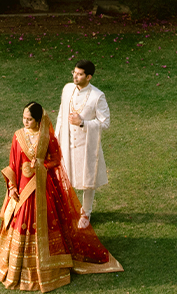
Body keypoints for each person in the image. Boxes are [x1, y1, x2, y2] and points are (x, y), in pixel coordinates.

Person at [0, 102, 122, 292]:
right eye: (24, 118)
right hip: (23, 188)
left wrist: (42, 164)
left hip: (42, 187)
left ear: (38, 120)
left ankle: (48, 267)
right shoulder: (18, 137)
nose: (25, 122)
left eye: (29, 119)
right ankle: (19, 269)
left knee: (45, 221)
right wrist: (11, 187)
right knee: (21, 222)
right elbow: (13, 163)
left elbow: (56, 159)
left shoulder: (46, 136)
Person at [55, 60, 108, 229]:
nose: (75, 76)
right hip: (67, 141)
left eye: (79, 74)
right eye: (74, 73)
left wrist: (83, 123)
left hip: (87, 144)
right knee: (64, 176)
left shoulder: (97, 96)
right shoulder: (67, 89)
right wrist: (56, 138)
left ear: (89, 77)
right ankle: (67, 209)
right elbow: (61, 115)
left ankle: (86, 213)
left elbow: (105, 123)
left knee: (87, 178)